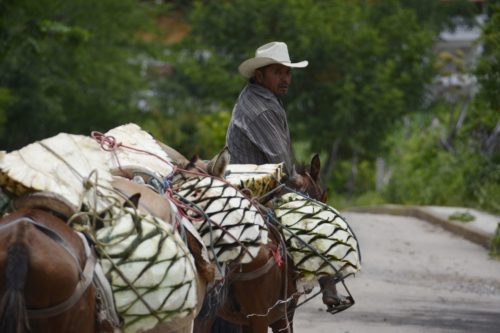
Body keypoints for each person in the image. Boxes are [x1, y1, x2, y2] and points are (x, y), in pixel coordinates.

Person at [225, 41, 349, 312]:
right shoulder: (263, 108)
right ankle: (328, 282)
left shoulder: (257, 97)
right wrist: (297, 180)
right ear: (260, 75)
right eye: (277, 72)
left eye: (287, 73)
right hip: (252, 181)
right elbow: (281, 162)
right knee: (314, 212)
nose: (285, 79)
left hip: (246, 175)